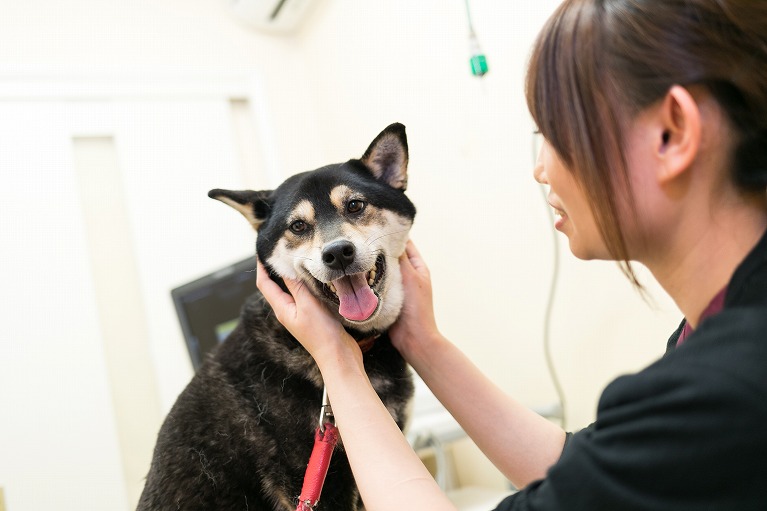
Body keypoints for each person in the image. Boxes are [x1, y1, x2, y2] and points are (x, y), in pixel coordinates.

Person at [256, 0, 767, 509]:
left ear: (671, 132)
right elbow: (588, 473)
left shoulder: (730, 382)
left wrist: (338, 366)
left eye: (553, 133)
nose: (540, 168)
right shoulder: (715, 334)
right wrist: (422, 341)